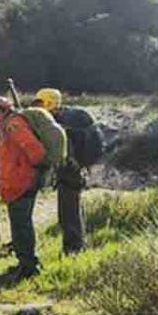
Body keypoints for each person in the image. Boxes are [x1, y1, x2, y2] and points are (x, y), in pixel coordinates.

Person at [0, 97, 63, 280]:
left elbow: (34, 150)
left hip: (21, 182)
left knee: (21, 225)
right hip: (19, 181)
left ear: (0, 111)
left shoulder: (14, 124)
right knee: (21, 224)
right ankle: (25, 262)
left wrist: (30, 172)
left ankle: (29, 267)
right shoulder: (12, 124)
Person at [35, 88, 102, 255]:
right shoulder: (69, 118)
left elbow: (65, 150)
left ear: (48, 103)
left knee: (68, 214)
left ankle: (73, 249)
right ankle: (75, 246)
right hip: (75, 171)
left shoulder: (61, 123)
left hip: (71, 172)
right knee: (71, 211)